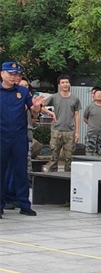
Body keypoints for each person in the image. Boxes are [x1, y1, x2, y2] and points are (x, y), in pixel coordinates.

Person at [0, 61, 43, 218]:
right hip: (1, 136)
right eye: (11, 74)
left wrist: (36, 106)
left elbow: (34, 110)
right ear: (2, 74)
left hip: (19, 136)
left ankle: (24, 205)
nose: (14, 77)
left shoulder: (23, 92)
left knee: (21, 171)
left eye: (17, 74)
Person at [44, 74, 81, 172]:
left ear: (70, 84)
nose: (65, 84)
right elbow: (40, 106)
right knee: (53, 155)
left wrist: (77, 132)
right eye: (62, 82)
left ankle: (68, 177)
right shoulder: (54, 97)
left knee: (69, 157)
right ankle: (52, 176)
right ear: (59, 85)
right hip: (56, 130)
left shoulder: (75, 98)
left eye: (67, 82)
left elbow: (76, 115)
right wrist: (50, 113)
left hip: (70, 131)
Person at [83, 88, 101, 156]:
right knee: (90, 153)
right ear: (94, 96)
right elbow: (85, 118)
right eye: (97, 94)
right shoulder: (90, 106)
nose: (99, 95)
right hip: (91, 133)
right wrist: (92, 124)